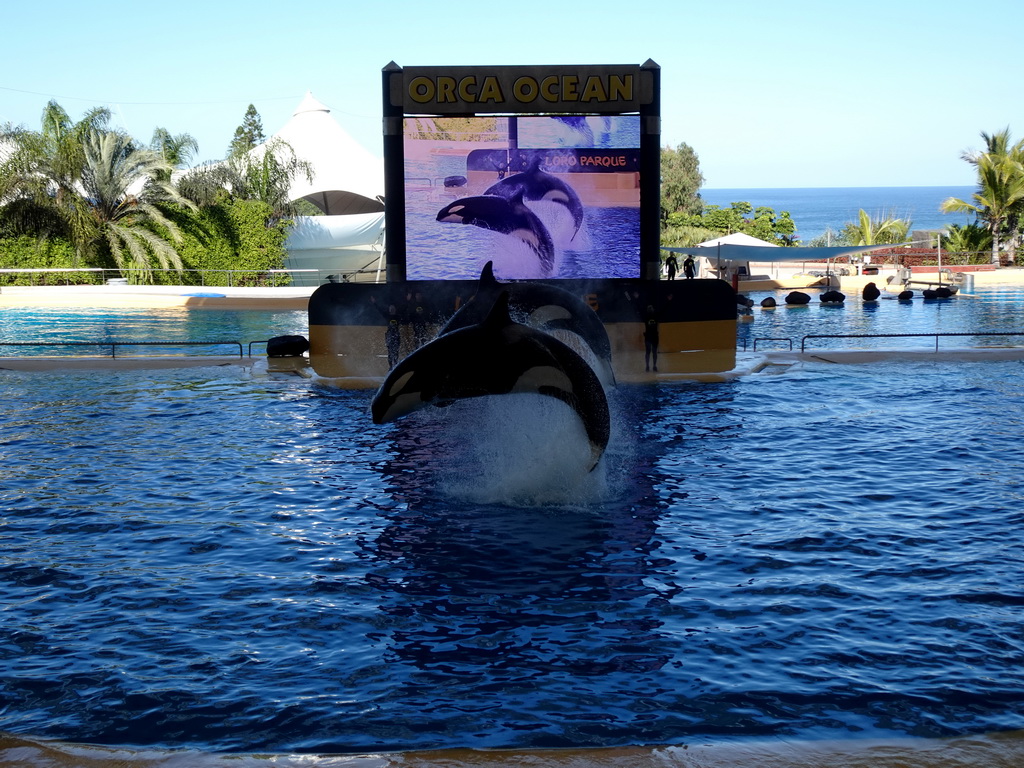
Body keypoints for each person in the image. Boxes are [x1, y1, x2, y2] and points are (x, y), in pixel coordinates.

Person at [643, 303, 659, 372]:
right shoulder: (651, 316)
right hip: (651, 337)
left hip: (651, 337)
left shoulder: (648, 317)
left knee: (649, 352)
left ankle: (650, 366)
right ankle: (651, 366)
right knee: (651, 352)